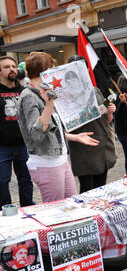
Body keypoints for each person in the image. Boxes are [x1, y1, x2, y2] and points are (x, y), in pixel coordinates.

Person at [16, 52, 99, 203]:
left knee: (72, 204)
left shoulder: (45, 91)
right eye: (52, 68)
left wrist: (74, 137)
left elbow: (51, 129)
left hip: (60, 157)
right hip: (46, 162)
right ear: (46, 70)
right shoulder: (29, 96)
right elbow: (36, 134)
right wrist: (49, 105)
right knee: (56, 211)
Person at [66, 55, 118, 193]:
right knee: (88, 191)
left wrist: (110, 111)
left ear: (87, 69)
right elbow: (66, 126)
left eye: (81, 66)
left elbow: (106, 120)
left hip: (102, 145)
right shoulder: (64, 97)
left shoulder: (95, 90)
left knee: (101, 188)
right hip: (84, 147)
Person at [0, 55, 34, 209]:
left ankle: (28, 208)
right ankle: (5, 212)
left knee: (26, 179)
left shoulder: (24, 91)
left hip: (23, 145)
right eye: (7, 67)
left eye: (13, 66)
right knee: (2, 181)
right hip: (2, 147)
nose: (12, 69)